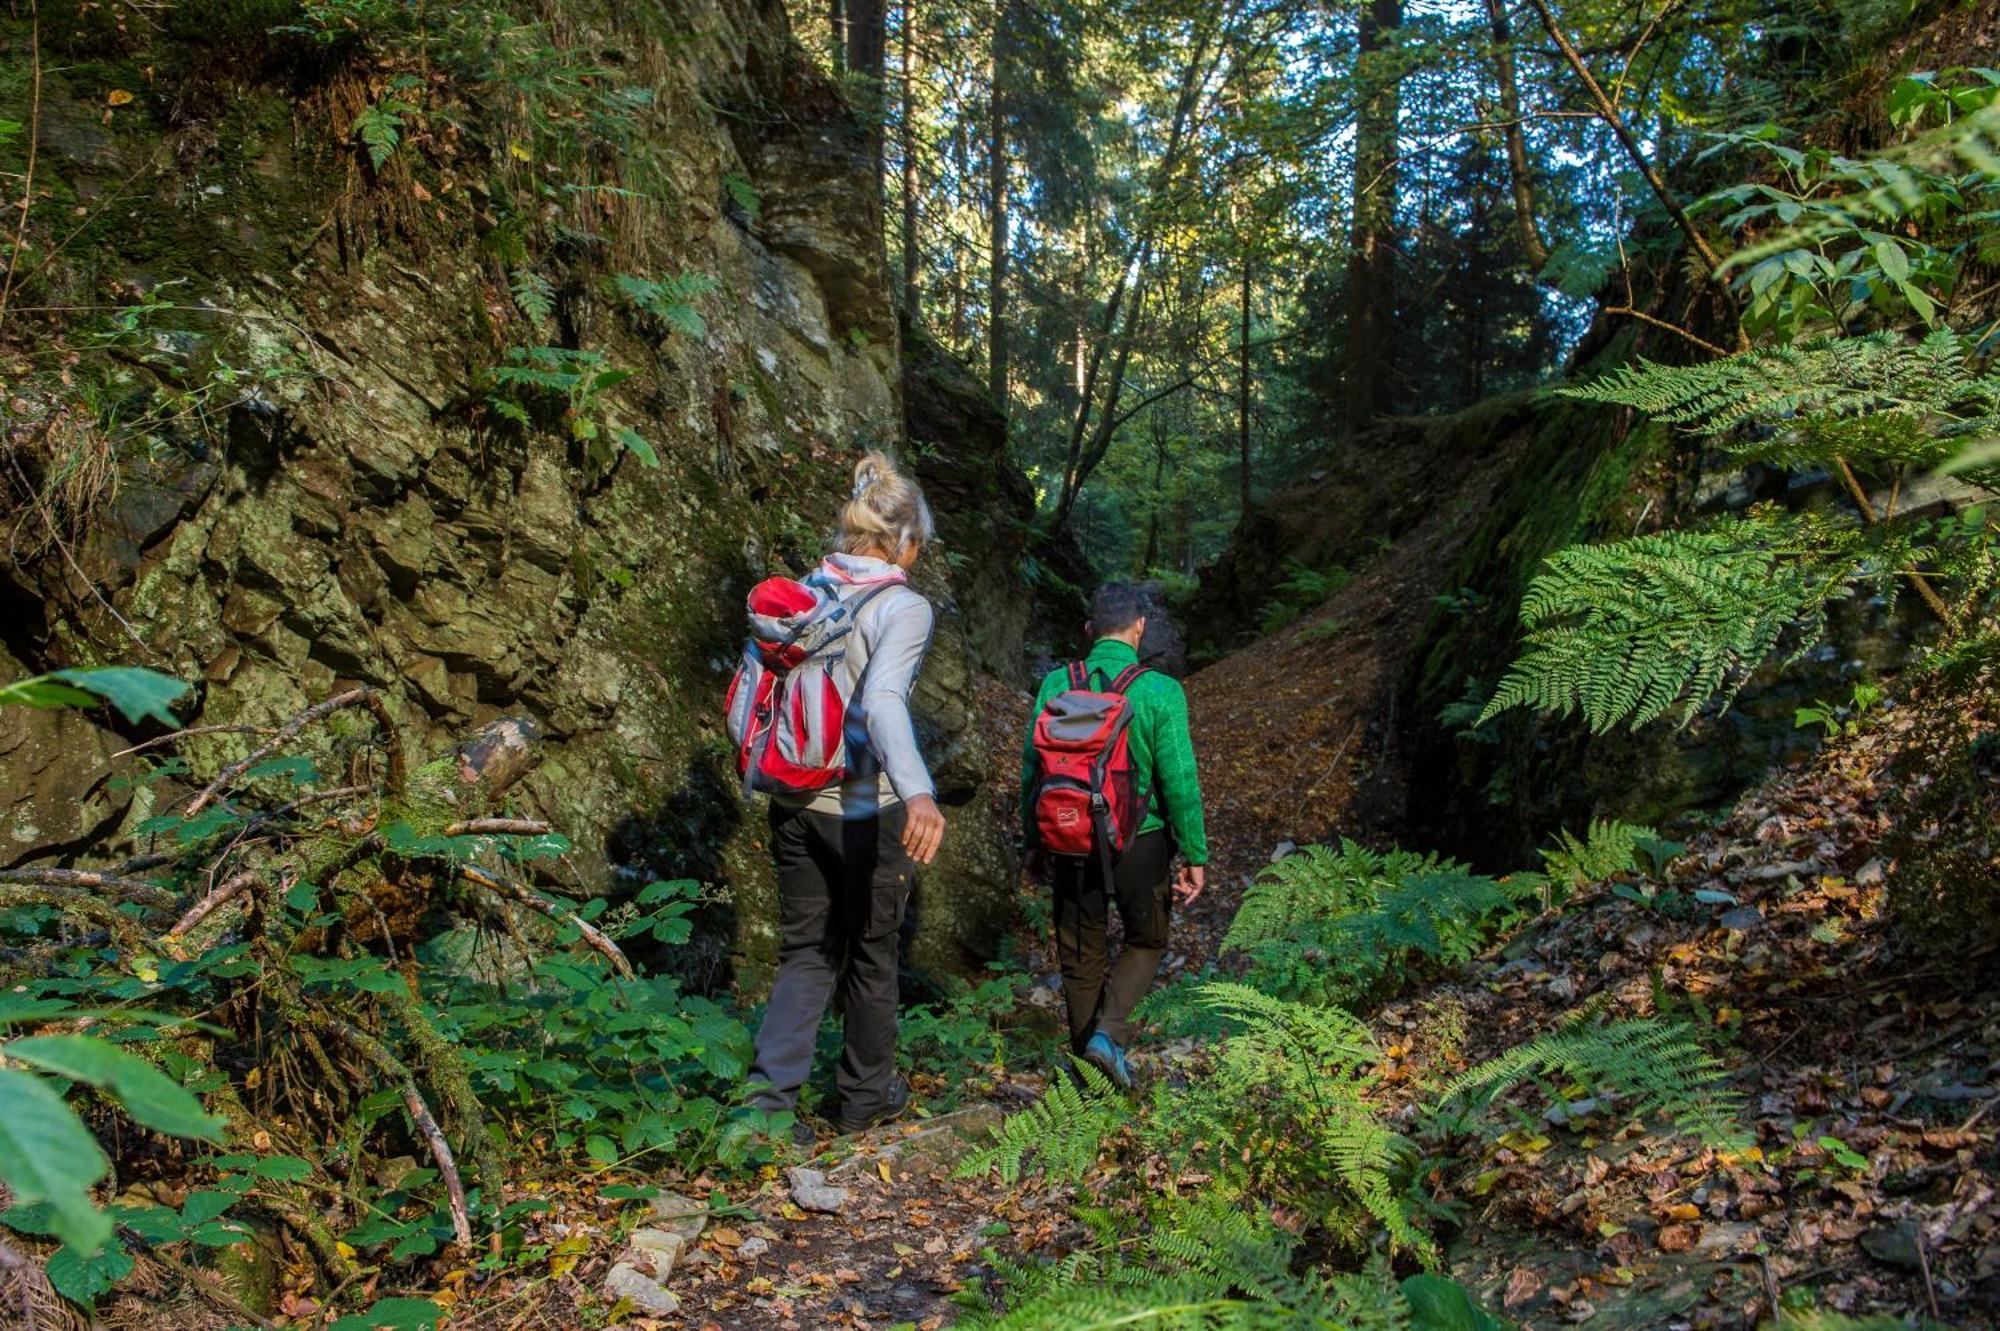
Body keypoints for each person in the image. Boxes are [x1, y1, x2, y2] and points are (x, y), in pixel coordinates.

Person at [745, 451, 948, 1137]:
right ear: (906, 542)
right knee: (870, 949)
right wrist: (919, 793)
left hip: (793, 796)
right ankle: (864, 1101)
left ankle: (767, 1111)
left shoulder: (805, 590)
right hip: (864, 801)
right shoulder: (902, 605)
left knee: (805, 950)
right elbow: (884, 698)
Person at [1021, 583, 1206, 1087]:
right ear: (1140, 626)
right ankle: (1110, 1038)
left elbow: (1031, 770)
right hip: (1138, 842)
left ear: (1088, 630)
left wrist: (1033, 841)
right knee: (1147, 938)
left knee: (1080, 955)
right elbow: (1180, 778)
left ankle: (1088, 1074)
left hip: (1066, 833)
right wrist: (1194, 851)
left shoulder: (1057, 683)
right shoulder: (1160, 690)